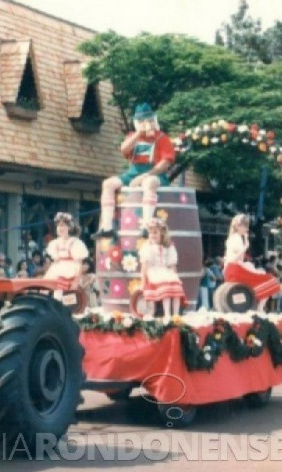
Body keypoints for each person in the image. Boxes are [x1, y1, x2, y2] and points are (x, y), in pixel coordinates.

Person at [93, 103, 175, 239]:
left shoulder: (162, 138)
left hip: (154, 173)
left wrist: (145, 176)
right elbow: (124, 149)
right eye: (142, 121)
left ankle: (147, 225)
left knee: (149, 183)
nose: (145, 123)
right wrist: (138, 134)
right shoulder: (132, 136)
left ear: (153, 121)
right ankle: (106, 227)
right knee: (108, 184)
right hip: (133, 172)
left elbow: (165, 164)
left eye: (148, 120)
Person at [223, 214, 280, 312]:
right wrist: (246, 246)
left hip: (233, 268)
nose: (246, 229)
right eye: (244, 226)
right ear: (238, 226)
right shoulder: (236, 238)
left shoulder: (234, 238)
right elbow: (235, 258)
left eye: (247, 226)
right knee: (269, 279)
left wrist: (245, 241)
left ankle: (259, 306)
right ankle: (260, 308)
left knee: (262, 274)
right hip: (235, 269)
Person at [139, 218, 184, 321]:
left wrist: (175, 277)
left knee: (176, 286)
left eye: (155, 232)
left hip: (165, 270)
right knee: (165, 288)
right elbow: (144, 266)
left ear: (162, 233)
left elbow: (172, 265)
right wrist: (143, 282)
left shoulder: (168, 247)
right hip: (154, 271)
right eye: (150, 233)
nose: (152, 235)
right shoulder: (148, 247)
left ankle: (176, 314)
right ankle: (167, 314)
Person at [44, 212, 89, 290]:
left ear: (69, 227)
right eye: (58, 226)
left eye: (62, 225)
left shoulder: (75, 243)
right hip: (55, 272)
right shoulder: (54, 243)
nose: (60, 228)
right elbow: (54, 261)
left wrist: (76, 281)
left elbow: (79, 264)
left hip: (70, 274)